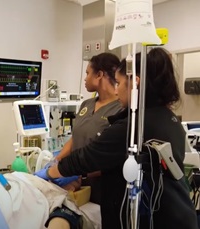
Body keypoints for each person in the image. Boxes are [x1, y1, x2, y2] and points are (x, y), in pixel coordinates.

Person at [35, 48, 199, 229]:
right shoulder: (168, 118)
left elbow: (89, 157)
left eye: (119, 83)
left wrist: (47, 174)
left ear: (135, 84)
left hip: (158, 218)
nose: (116, 89)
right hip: (178, 213)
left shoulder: (133, 126)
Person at [56, 52, 122, 205]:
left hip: (103, 189)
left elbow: (115, 158)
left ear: (99, 75)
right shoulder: (87, 105)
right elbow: (75, 139)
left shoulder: (120, 110)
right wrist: (57, 161)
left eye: (87, 73)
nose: (85, 78)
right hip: (77, 186)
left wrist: (80, 174)